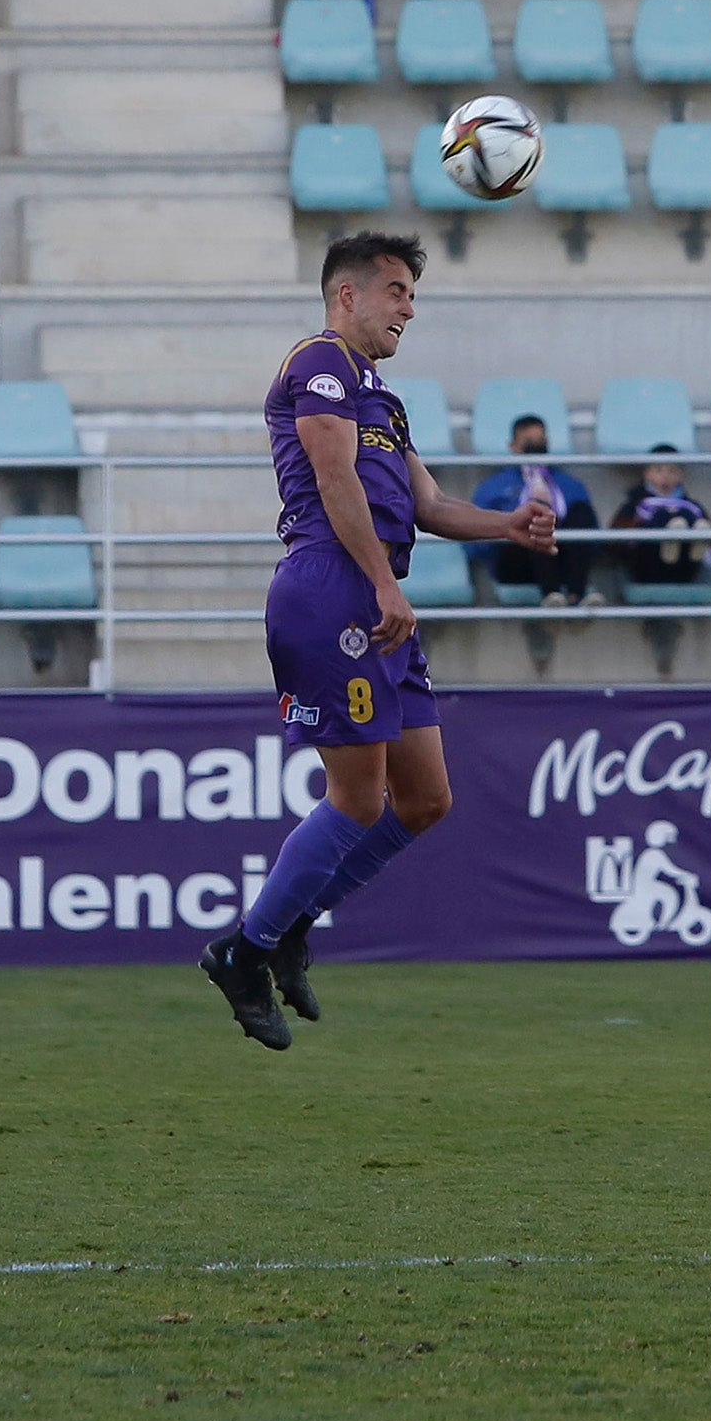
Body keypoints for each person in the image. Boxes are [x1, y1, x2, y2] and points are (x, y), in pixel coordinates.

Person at [200, 232, 558, 1050]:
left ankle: (287, 924)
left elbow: (427, 504)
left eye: (411, 296)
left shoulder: (382, 399)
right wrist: (384, 583)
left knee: (426, 798)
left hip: (375, 591)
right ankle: (242, 952)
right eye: (396, 291)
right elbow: (334, 481)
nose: (407, 309)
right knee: (358, 798)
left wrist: (507, 525)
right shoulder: (318, 364)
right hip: (333, 587)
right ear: (346, 296)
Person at [473, 415, 604, 608]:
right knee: (532, 517)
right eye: (528, 442)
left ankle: (576, 595)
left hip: (561, 559)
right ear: (513, 446)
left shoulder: (570, 485)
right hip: (517, 562)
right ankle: (552, 595)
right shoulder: (494, 487)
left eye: (541, 441)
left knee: (579, 511)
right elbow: (476, 540)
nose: (536, 447)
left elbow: (592, 536)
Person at [610, 444, 711, 586]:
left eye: (672, 471)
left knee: (688, 518)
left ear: (681, 476)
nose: (666, 476)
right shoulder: (636, 504)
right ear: (647, 474)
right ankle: (671, 535)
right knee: (661, 516)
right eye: (659, 470)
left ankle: (693, 538)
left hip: (686, 569)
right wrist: (639, 526)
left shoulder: (692, 506)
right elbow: (615, 540)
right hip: (647, 567)